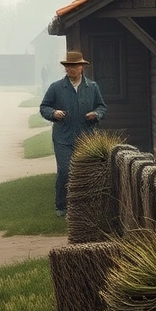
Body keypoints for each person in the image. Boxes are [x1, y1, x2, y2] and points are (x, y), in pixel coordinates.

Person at [39, 49, 107, 217]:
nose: (71, 69)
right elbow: (44, 107)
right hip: (63, 138)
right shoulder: (56, 87)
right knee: (65, 171)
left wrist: (96, 114)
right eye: (68, 66)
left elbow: (101, 106)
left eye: (74, 66)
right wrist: (53, 113)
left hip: (86, 137)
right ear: (65, 68)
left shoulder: (92, 87)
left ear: (82, 67)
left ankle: (85, 206)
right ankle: (62, 207)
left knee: (87, 172)